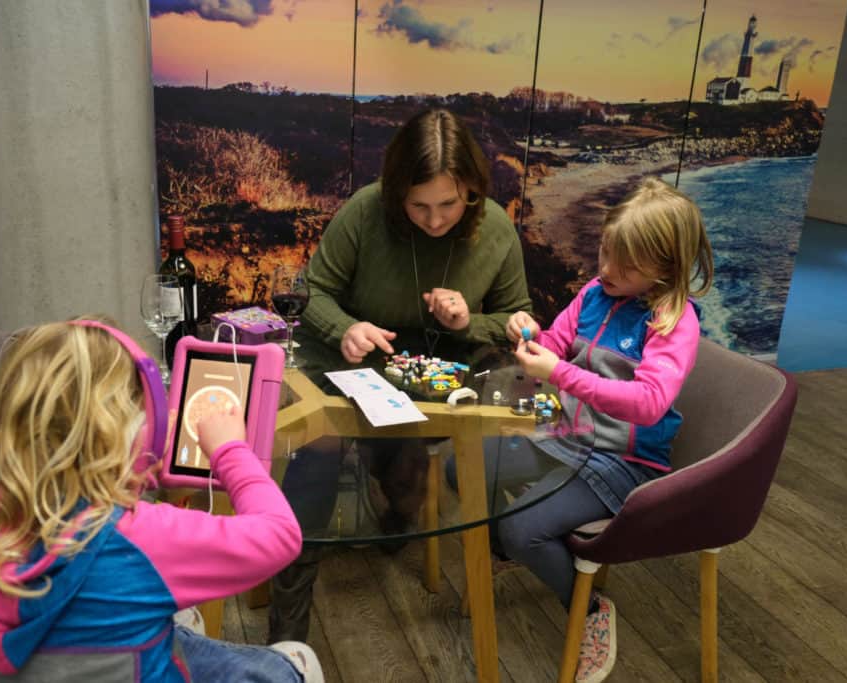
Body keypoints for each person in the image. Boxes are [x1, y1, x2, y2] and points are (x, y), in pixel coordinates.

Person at [0, 318, 323, 682]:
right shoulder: (140, 539)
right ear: (127, 436)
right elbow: (281, 534)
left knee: (179, 619)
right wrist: (231, 450)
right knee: (293, 661)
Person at [270, 108, 535, 642]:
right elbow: (311, 291)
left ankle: (397, 510)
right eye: (419, 206)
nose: (435, 221)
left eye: (449, 204)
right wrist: (345, 327)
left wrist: (469, 320)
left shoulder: (497, 229)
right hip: (351, 360)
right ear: (396, 192)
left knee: (409, 463)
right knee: (319, 448)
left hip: (437, 370)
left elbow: (518, 321)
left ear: (472, 191)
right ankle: (288, 618)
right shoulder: (366, 212)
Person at [499, 176, 714, 683]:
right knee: (454, 468)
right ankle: (527, 550)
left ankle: (590, 608)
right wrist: (528, 332)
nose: (607, 269)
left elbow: (647, 404)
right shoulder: (597, 291)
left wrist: (559, 372)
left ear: (666, 267)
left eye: (627, 264)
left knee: (518, 529)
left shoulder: (674, 321)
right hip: (567, 434)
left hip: (624, 462)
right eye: (605, 251)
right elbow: (553, 344)